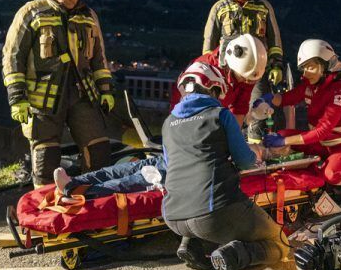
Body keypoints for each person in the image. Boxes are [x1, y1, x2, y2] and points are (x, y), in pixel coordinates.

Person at [53, 40, 267, 199]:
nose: (246, 82)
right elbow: (245, 160)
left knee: (138, 169)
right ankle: (82, 191)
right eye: (244, 78)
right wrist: (249, 148)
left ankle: (78, 183)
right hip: (191, 164)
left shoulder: (197, 100)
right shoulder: (219, 109)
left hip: (180, 149)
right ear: (216, 88)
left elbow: (188, 119)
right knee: (137, 180)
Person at [161, 62, 289, 270]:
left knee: (207, 225)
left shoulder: (168, 123)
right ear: (211, 88)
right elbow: (245, 161)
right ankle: (232, 255)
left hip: (174, 217)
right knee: (279, 241)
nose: (219, 97)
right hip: (214, 213)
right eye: (218, 92)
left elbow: (170, 166)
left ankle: (189, 244)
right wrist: (255, 156)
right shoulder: (220, 115)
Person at [2, 0, 114, 187]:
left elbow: (99, 58)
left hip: (83, 93)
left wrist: (106, 90)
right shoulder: (31, 12)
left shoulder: (88, 16)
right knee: (46, 155)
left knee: (98, 148)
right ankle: (45, 209)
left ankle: (94, 199)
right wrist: (17, 98)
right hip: (43, 97)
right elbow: (13, 57)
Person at [257, 39, 341, 190]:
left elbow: (321, 131)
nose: (306, 73)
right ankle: (323, 165)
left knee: (331, 174)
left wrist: (285, 141)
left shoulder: (339, 93)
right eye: (304, 68)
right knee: (281, 134)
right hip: (323, 145)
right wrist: (267, 100)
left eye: (311, 68)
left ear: (326, 66)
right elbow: (287, 98)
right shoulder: (312, 86)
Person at [203, 0, 284, 142]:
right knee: (225, 112)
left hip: (257, 71)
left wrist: (276, 65)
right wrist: (209, 72)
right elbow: (209, 43)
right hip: (226, 72)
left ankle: (254, 157)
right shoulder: (219, 8)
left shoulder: (264, 6)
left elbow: (275, 39)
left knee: (259, 111)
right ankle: (224, 149)